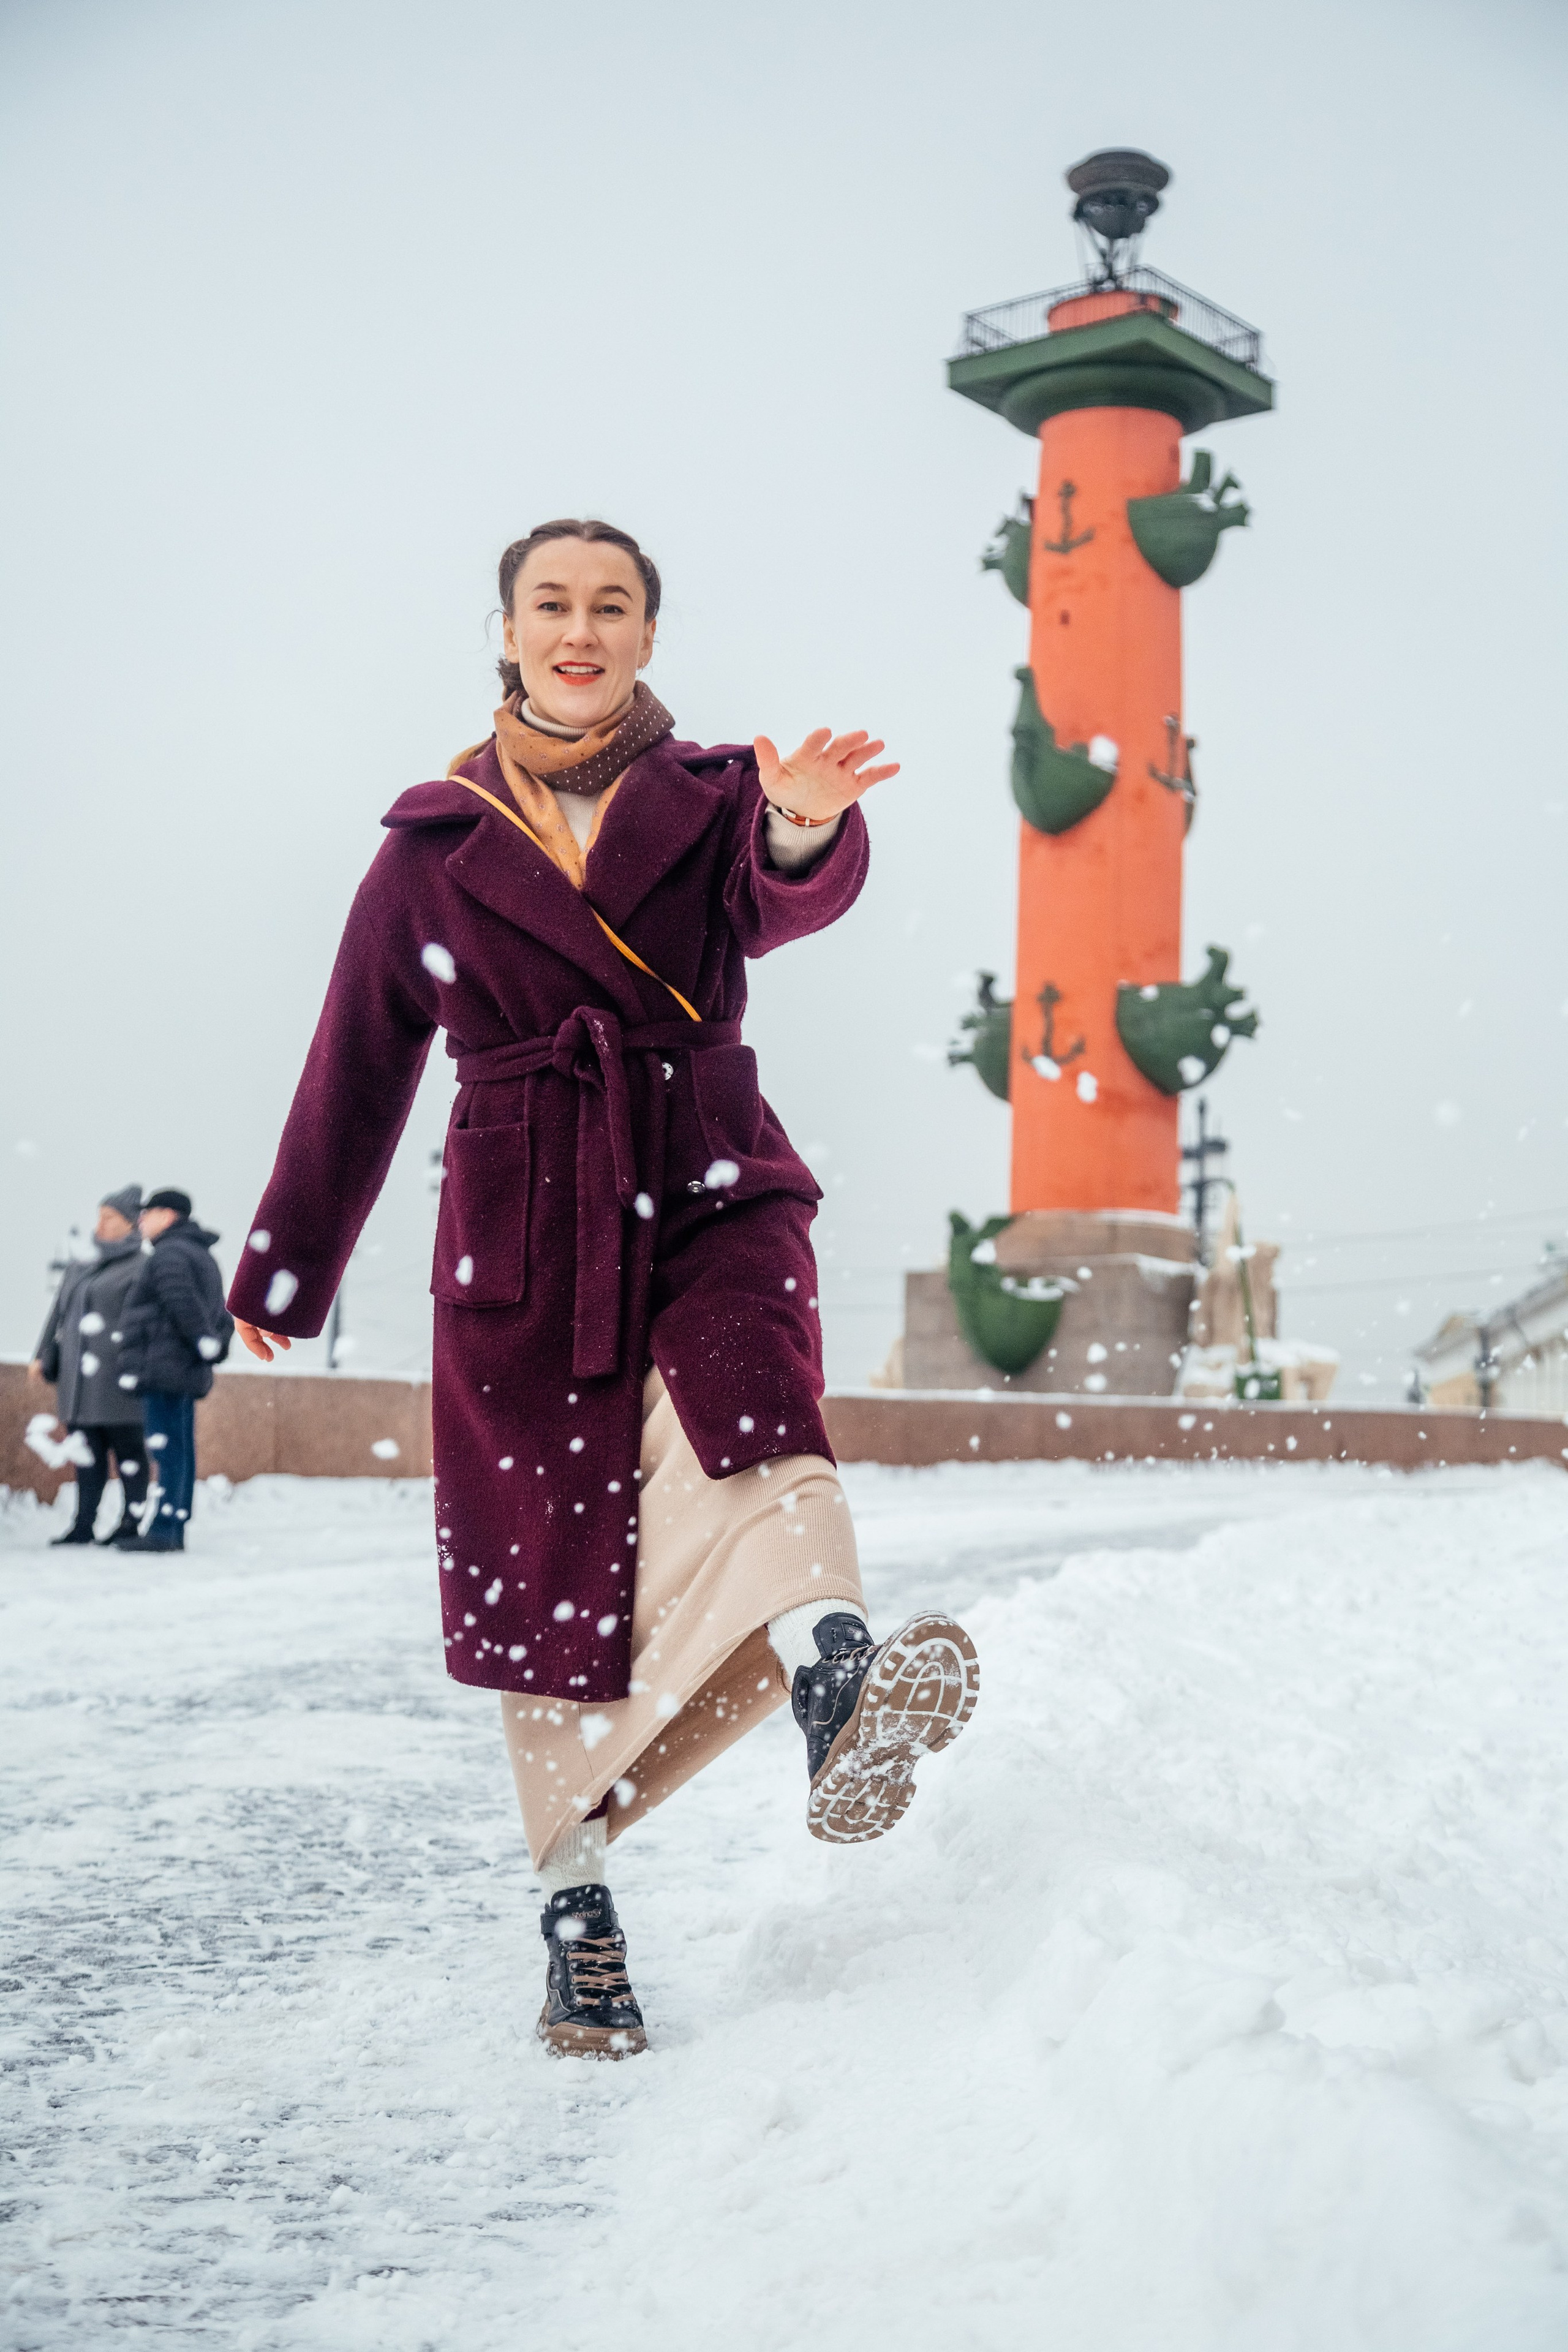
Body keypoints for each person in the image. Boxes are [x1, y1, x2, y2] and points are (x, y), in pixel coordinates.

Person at [228, 519, 979, 2059]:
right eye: (551, 603)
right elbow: (357, 1065)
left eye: (612, 604)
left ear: (647, 633)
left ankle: (839, 1681)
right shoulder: (427, 850)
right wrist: (286, 1269)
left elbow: (781, 898)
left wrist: (798, 826)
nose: (581, 628)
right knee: (545, 1583)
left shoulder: (712, 796)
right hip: (523, 1220)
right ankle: (577, 1926)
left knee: (761, 1422)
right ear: (505, 632)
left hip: (703, 1165)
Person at [29, 1184, 150, 1546]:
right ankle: (84, 1524)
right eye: (100, 1216)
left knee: (129, 1452)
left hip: (117, 1379)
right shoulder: (82, 1264)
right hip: (78, 1379)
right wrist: (43, 1354)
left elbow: (140, 1325)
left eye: (110, 1218)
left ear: (130, 1224)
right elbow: (58, 1315)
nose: (102, 1224)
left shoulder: (141, 1267)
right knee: (86, 1453)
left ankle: (131, 1521)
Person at [117, 1189, 233, 1551]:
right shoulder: (201, 1254)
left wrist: (202, 1342)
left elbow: (181, 1302)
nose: (141, 1221)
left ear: (168, 1215)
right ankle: (173, 1527)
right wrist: (211, 1348)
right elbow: (223, 1316)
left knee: (167, 1451)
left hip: (164, 1366)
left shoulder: (170, 1254)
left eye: (147, 1214)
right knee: (180, 1450)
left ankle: (165, 1530)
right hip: (183, 1368)